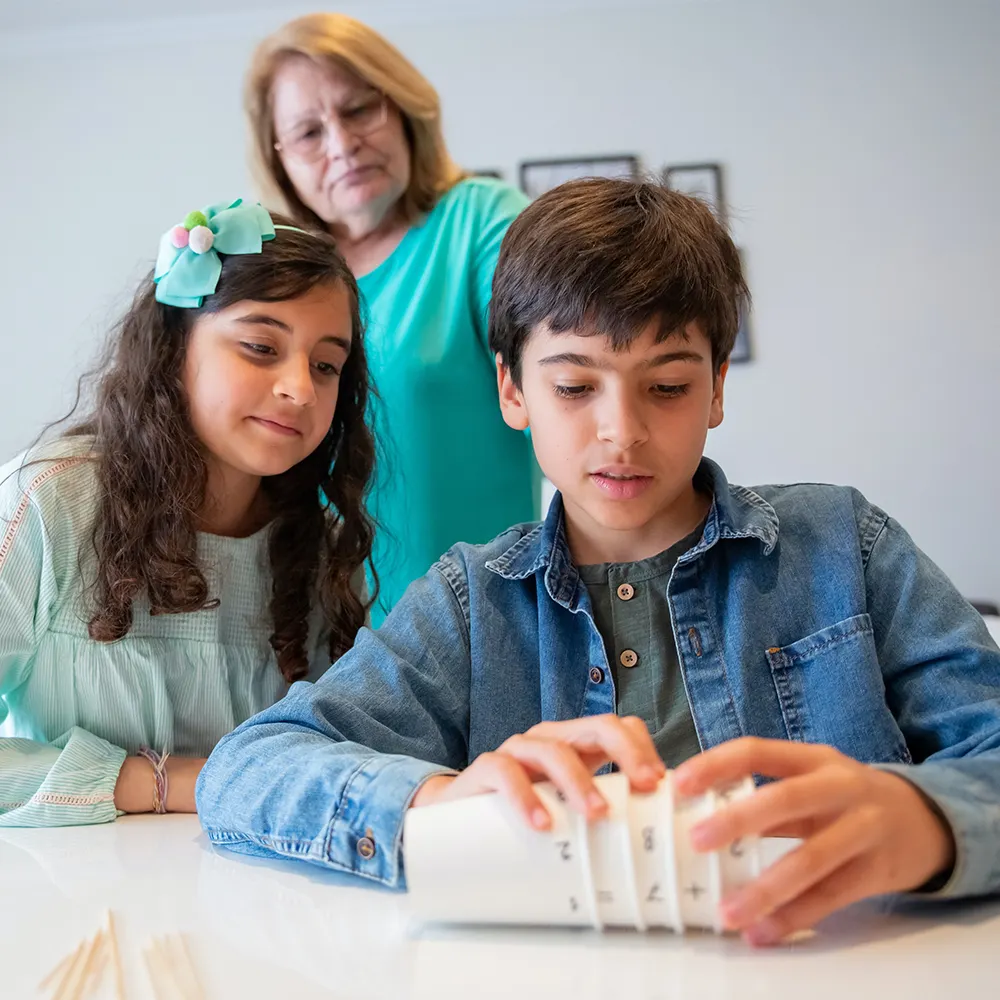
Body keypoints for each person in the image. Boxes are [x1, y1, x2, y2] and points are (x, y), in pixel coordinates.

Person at [195, 179, 1000, 944]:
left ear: (717, 386)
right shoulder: (472, 602)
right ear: (512, 391)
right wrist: (434, 798)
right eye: (576, 387)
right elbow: (246, 770)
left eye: (668, 388)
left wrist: (927, 822)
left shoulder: (843, 547)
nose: (622, 431)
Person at [0, 198, 376, 826]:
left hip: (258, 902)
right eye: (261, 347)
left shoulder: (318, 546)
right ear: (174, 351)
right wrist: (173, 782)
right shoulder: (48, 503)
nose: (301, 389)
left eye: (326, 365)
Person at [245, 13, 536, 623]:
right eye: (307, 132)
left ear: (403, 109)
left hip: (481, 626)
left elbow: (556, 356)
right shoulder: (272, 277)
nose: (342, 144)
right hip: (316, 639)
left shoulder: (481, 221)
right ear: (281, 161)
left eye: (359, 110)